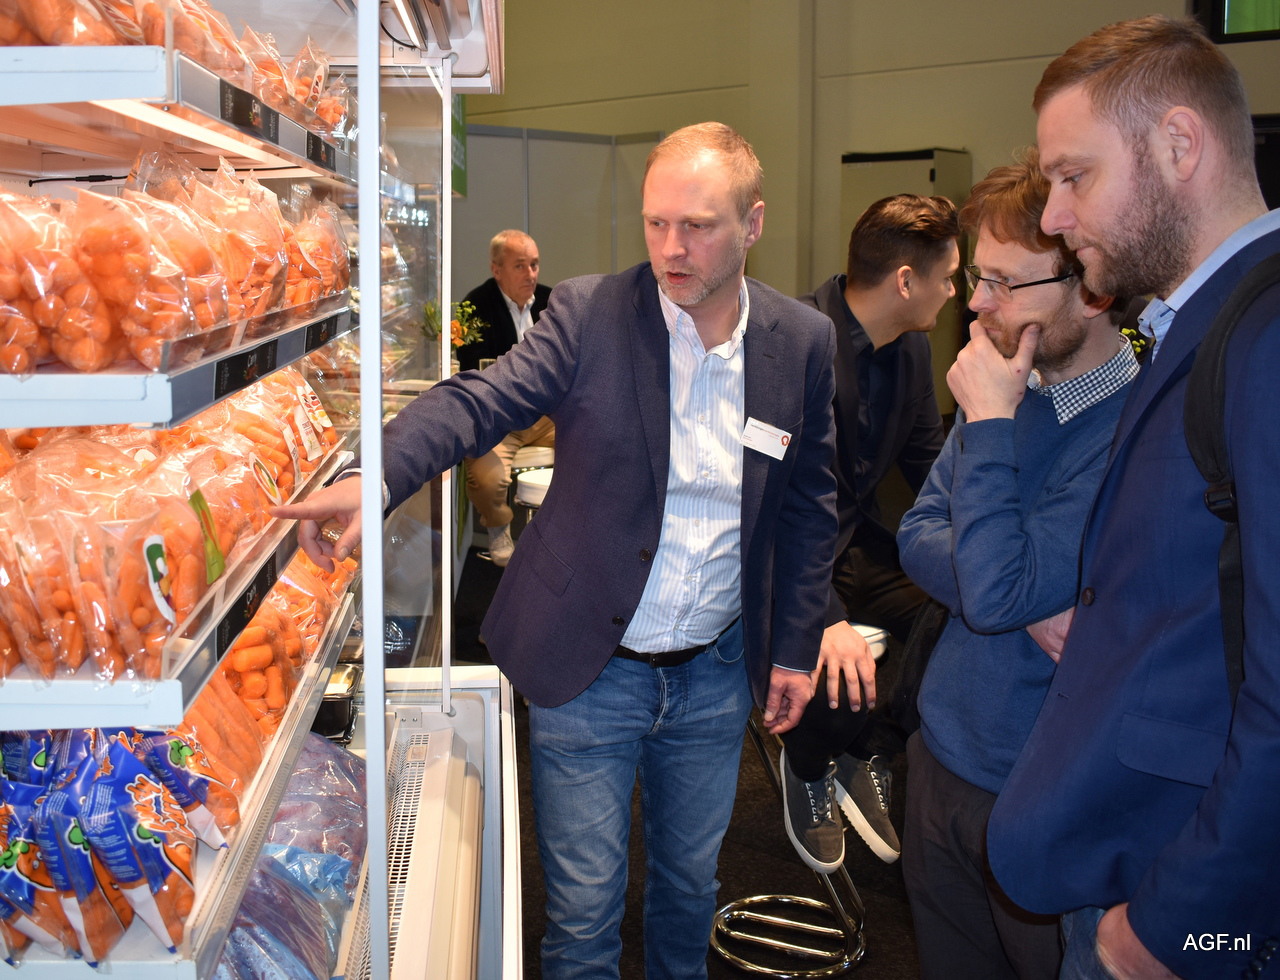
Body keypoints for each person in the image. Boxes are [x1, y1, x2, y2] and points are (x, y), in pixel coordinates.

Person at [275, 121, 839, 979]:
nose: (671, 248)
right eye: (656, 223)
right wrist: (379, 474)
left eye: (697, 226)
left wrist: (794, 646)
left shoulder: (800, 342)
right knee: (581, 916)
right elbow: (478, 400)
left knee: (690, 891)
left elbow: (808, 505)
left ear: (752, 223)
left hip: (716, 672)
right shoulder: (590, 313)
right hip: (591, 666)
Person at [983, 16, 1280, 980]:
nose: (1054, 217)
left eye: (1075, 177)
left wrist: (1178, 926)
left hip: (1187, 906)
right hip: (1132, 847)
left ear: (1179, 145)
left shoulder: (1266, 334)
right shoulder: (1199, 320)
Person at [896, 148, 1137, 980]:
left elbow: (996, 589)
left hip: (1041, 787)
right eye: (979, 277)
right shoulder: (1004, 382)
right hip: (941, 756)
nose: (977, 303)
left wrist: (991, 424)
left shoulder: (1130, 427)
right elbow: (917, 532)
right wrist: (1020, 593)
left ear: (1091, 287)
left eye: (1004, 282)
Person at [780, 194, 957, 872]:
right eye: (949, 277)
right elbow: (763, 501)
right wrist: (825, 614)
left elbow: (929, 465)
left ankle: (868, 747)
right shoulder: (795, 338)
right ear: (906, 281)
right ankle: (809, 763)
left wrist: (988, 546)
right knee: (839, 657)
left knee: (958, 615)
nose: (956, 291)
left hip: (860, 542)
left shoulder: (912, 348)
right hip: (785, 553)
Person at [456, 230, 555, 566]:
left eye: (535, 265)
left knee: (597, 439)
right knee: (487, 477)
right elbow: (474, 369)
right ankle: (498, 530)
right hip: (502, 417)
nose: (530, 274)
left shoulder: (553, 301)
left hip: (548, 413)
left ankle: (571, 526)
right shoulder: (474, 307)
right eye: (520, 266)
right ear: (496, 269)